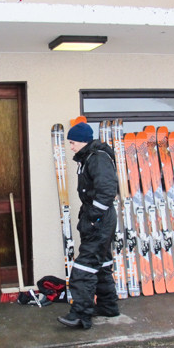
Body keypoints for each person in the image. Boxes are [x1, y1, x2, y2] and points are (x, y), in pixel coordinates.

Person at [57, 122, 120, 330]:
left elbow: (107, 190)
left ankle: (80, 315)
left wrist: (93, 217)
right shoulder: (89, 158)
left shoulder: (97, 158)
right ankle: (108, 306)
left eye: (72, 143)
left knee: (84, 267)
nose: (71, 147)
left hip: (100, 219)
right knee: (101, 263)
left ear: (83, 141)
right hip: (97, 218)